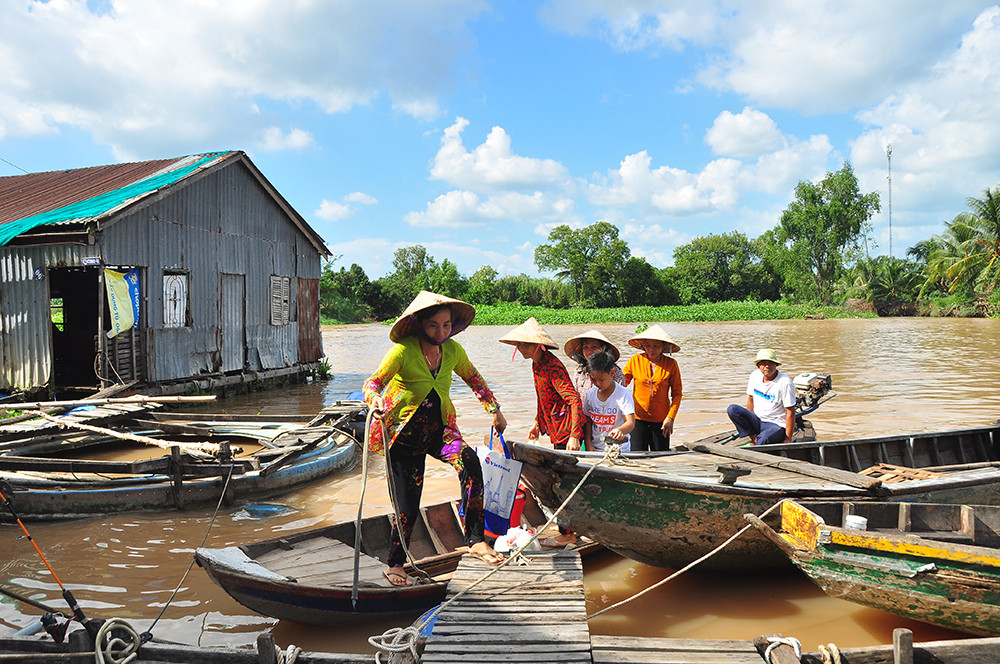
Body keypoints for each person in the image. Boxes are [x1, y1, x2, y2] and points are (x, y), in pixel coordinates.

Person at [363, 291, 506, 587]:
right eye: (433, 326)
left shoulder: (453, 351)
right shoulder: (402, 352)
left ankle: (476, 540)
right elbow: (372, 382)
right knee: (408, 504)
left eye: (446, 325)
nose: (441, 332)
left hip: (440, 431)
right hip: (404, 437)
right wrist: (374, 399)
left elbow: (475, 379)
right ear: (418, 325)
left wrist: (495, 410)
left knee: (470, 462)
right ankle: (396, 564)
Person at [499, 317, 584, 548]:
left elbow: (574, 400)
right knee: (560, 481)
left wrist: (575, 435)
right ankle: (568, 527)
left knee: (562, 483)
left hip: (566, 432)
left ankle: (569, 534)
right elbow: (543, 397)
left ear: (538, 345)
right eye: (519, 345)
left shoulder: (552, 366)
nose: (520, 349)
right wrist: (537, 422)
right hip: (555, 429)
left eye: (524, 344)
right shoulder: (537, 364)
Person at [623, 325, 683, 452]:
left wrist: (670, 418)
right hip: (638, 419)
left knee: (661, 458)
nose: (651, 350)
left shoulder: (671, 364)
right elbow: (621, 384)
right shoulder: (635, 360)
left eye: (656, 346)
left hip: (661, 421)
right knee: (637, 459)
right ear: (643, 346)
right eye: (648, 345)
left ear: (663, 347)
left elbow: (677, 394)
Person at [726, 348, 797, 445]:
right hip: (758, 420)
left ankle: (757, 444)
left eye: (770, 363)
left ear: (776, 364)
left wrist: (788, 438)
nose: (767, 366)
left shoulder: (785, 382)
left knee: (764, 439)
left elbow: (790, 411)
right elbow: (750, 400)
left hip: (776, 425)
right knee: (733, 409)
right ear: (758, 365)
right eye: (763, 363)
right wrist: (750, 425)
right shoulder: (754, 376)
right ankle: (754, 438)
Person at [582, 350, 635, 452]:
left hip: (619, 449)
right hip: (595, 448)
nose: (597, 383)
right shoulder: (590, 394)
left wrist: (620, 430)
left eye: (601, 380)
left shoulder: (623, 394)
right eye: (593, 380)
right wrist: (588, 443)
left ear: (612, 373)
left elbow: (630, 422)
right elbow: (587, 421)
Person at [564, 330, 626, 396]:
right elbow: (574, 395)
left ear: (603, 348)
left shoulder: (613, 371)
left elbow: (619, 397)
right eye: (586, 347)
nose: (589, 351)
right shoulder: (580, 371)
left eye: (594, 347)